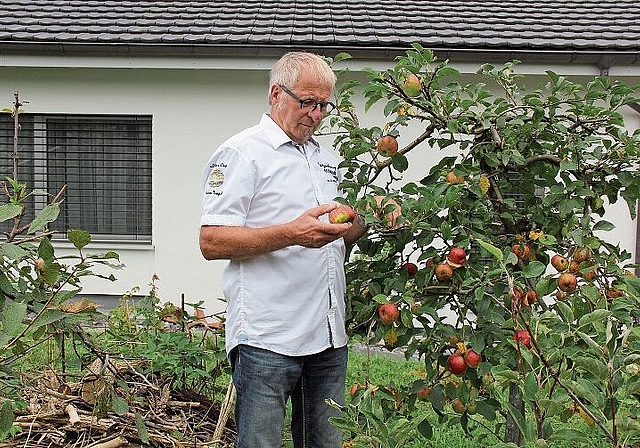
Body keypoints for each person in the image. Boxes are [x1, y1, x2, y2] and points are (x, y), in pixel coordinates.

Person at [199, 51, 368, 448]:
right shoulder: (242, 153)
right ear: (277, 94)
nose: (317, 114)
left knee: (324, 443)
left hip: (327, 334)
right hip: (267, 337)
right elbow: (211, 241)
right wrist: (292, 233)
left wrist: (363, 221)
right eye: (307, 102)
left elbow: (336, 234)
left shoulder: (325, 158)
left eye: (324, 104)